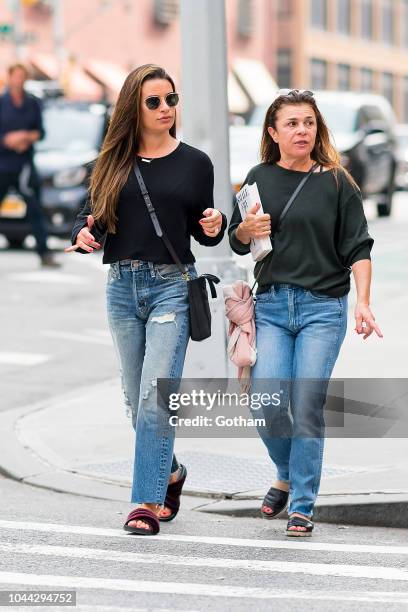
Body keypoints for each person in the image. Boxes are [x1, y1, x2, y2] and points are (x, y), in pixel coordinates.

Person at [67, 64, 226, 535]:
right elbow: (86, 211)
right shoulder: (113, 159)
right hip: (121, 286)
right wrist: (81, 231)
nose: (164, 109)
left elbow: (203, 229)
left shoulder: (196, 163)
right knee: (135, 402)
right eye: (153, 102)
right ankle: (171, 473)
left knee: (156, 400)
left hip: (171, 286)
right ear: (133, 107)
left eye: (170, 100)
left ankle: (144, 502)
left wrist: (212, 225)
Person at [228, 89, 382, 537]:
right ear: (273, 133)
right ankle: (286, 472)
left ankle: (302, 504)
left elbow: (359, 247)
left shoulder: (337, 181)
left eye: (309, 123)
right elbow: (239, 241)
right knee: (266, 404)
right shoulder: (258, 177)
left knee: (306, 404)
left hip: (322, 310)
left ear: (318, 130)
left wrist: (365, 302)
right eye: (292, 123)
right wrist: (243, 228)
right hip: (273, 306)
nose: (302, 130)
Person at [0, 63, 59, 267]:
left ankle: (45, 254)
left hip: (24, 166)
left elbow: (40, 132)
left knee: (35, 209)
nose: (19, 80)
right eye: (16, 76)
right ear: (9, 77)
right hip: (2, 165)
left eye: (22, 77)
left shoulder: (32, 103)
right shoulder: (1, 102)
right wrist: (9, 140)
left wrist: (24, 137)